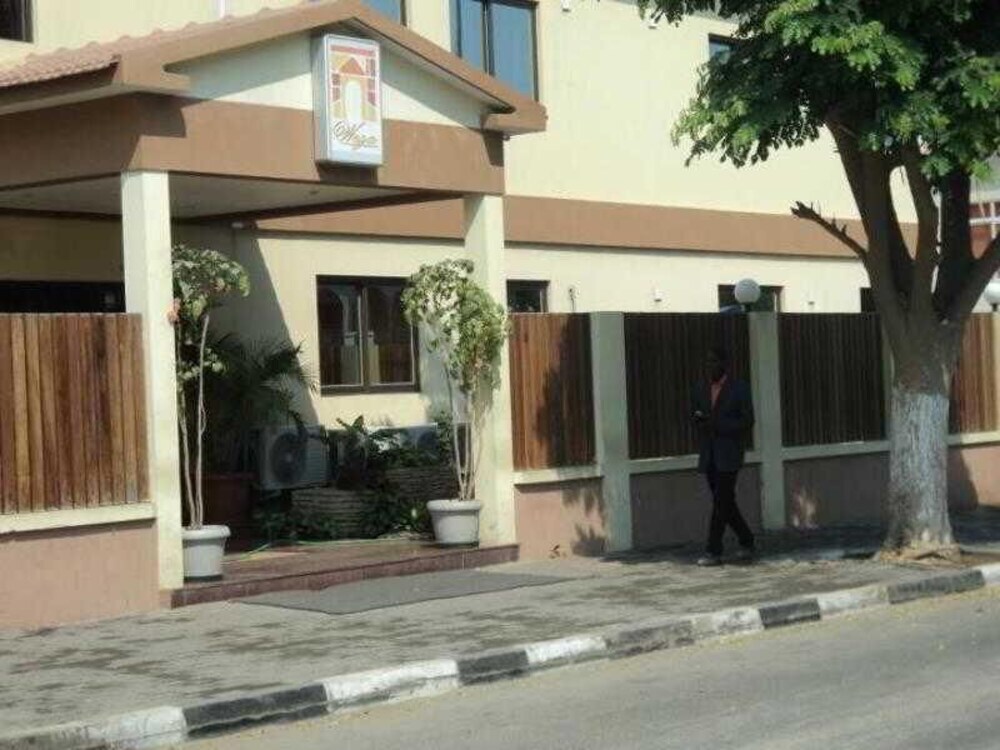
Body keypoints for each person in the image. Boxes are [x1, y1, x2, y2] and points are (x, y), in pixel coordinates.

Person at [692, 346, 756, 566]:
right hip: (709, 454)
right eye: (708, 362)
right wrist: (700, 421)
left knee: (721, 501)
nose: (710, 366)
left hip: (729, 454)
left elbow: (747, 420)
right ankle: (747, 539)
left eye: (714, 362)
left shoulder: (739, 389)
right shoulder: (701, 388)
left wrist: (720, 425)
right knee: (725, 503)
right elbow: (695, 415)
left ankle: (713, 551)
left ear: (724, 364)